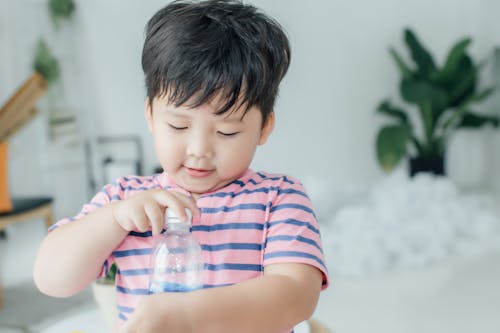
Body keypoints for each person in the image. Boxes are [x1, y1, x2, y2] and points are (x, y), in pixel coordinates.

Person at [33, 1, 329, 332]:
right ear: (150, 115)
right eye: (178, 126)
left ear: (264, 127)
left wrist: (188, 316)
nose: (199, 150)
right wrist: (114, 219)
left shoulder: (278, 197)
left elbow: (296, 295)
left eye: (226, 131)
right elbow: (51, 278)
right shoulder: (126, 199)